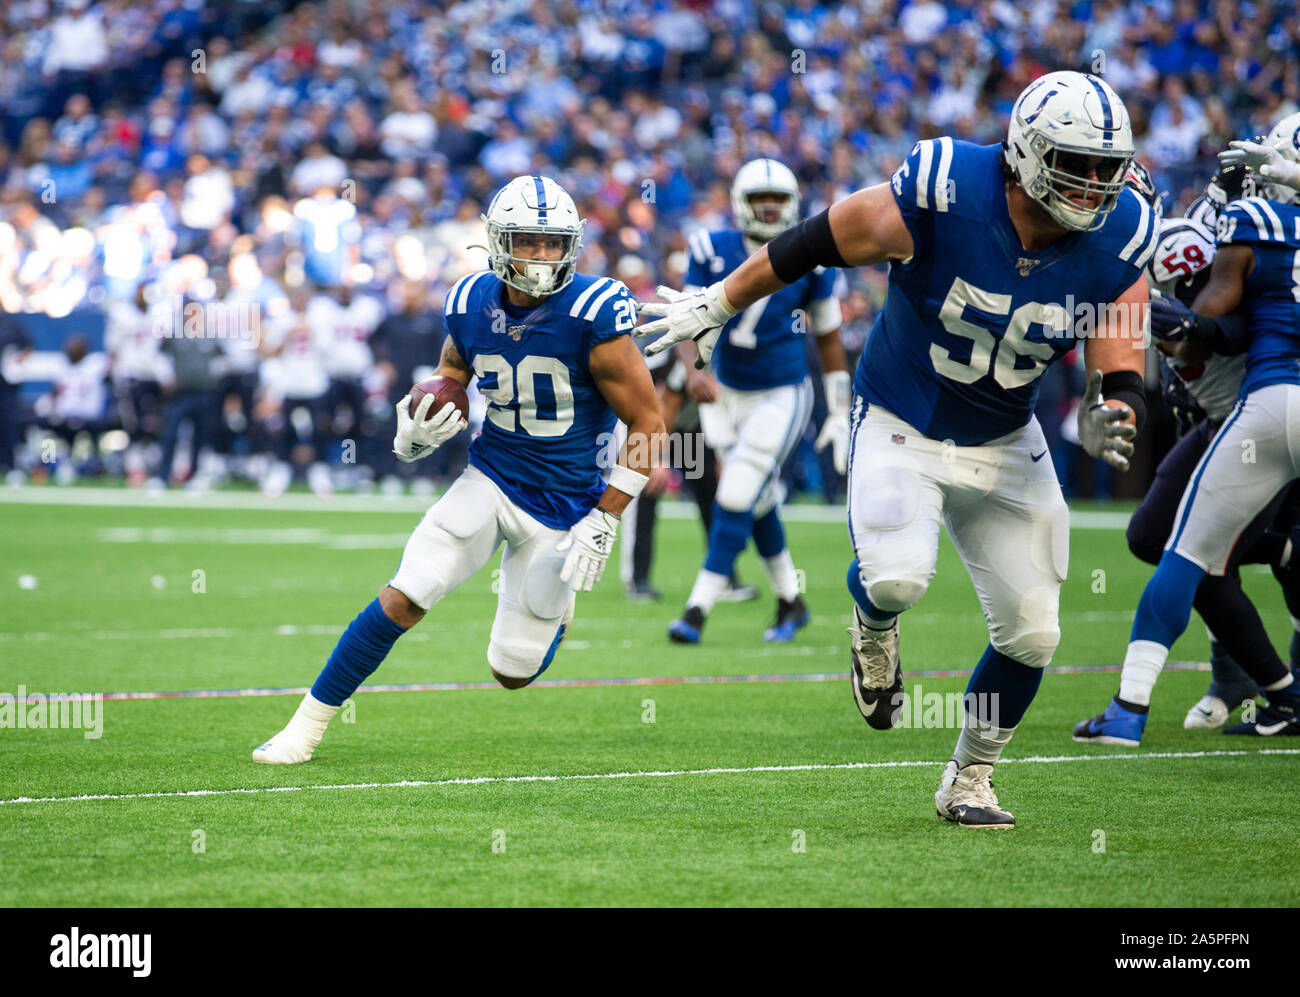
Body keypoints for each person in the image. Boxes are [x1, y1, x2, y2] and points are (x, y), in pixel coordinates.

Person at [638, 72, 1155, 827]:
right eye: (1079, 162)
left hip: (1008, 434)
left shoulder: (1119, 231)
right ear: (1029, 151)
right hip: (902, 418)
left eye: (1108, 167)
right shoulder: (947, 190)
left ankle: (970, 778)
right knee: (898, 578)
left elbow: (1120, 327)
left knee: (1036, 631)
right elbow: (815, 237)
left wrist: (1122, 400)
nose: (1096, 184)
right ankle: (872, 626)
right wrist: (719, 301)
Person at [254, 175, 664, 764]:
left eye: (555, 243)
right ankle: (304, 729)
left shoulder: (594, 311)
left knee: (512, 673)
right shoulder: (469, 302)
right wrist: (416, 432)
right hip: (492, 477)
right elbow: (451, 381)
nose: (544, 255)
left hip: (568, 506)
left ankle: (555, 615)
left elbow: (651, 425)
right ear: (499, 241)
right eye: (529, 240)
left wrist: (607, 518)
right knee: (407, 594)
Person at [1075, 113, 1300, 743]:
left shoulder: (1220, 230)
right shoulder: (1230, 219)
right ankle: (1266, 687)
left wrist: (1175, 325)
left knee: (1187, 551)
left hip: (1260, 406)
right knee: (1162, 538)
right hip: (1233, 409)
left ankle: (1135, 707)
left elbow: (1223, 325)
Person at [659, 158, 849, 645]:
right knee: (757, 498)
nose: (769, 209)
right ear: (741, 204)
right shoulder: (710, 247)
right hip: (722, 392)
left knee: (737, 493)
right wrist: (693, 367)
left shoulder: (814, 259)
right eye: (760, 200)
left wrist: (839, 406)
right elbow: (685, 316)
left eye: (778, 200)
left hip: (781, 392)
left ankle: (697, 610)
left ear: (792, 205)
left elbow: (829, 338)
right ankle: (792, 601)